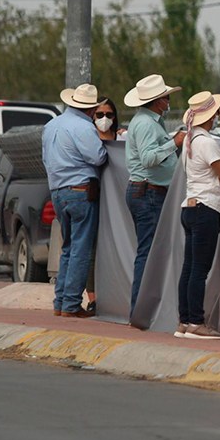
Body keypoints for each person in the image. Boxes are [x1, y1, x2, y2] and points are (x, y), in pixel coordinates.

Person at [42, 84, 108, 318]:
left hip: (58, 191)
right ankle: (70, 304)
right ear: (91, 109)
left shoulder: (51, 126)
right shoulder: (83, 127)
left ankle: (61, 302)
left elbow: (45, 159)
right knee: (80, 249)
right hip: (80, 190)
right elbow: (98, 157)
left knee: (68, 248)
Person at [124, 74, 185, 313]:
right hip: (148, 192)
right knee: (147, 252)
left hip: (146, 191)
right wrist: (175, 142)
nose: (169, 99)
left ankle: (142, 309)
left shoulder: (145, 121)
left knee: (147, 251)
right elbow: (149, 159)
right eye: (166, 96)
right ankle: (140, 310)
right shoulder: (148, 124)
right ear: (158, 100)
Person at [174, 92, 220, 340]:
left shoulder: (191, 139)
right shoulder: (206, 142)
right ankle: (196, 321)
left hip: (190, 206)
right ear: (212, 116)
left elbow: (215, 169)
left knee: (189, 268)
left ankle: (185, 320)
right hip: (206, 208)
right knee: (199, 269)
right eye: (216, 113)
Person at [84, 98, 120, 314]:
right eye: (99, 115)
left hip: (116, 202)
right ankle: (93, 298)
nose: (104, 119)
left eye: (109, 114)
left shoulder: (121, 139)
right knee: (92, 249)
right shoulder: (88, 139)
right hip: (94, 197)